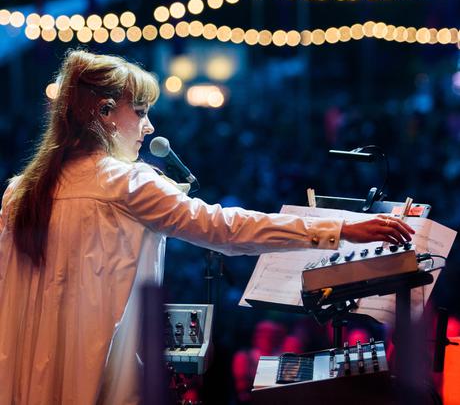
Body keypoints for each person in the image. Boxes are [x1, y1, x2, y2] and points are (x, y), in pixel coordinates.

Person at [0, 49, 414, 405]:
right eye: (141, 112)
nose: (149, 127)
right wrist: (337, 229)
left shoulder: (19, 191)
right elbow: (224, 228)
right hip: (100, 385)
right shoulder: (126, 183)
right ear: (105, 112)